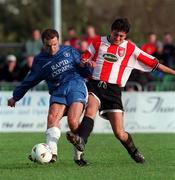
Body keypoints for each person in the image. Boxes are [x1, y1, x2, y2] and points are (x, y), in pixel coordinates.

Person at [66, 18, 175, 166]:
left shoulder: (130, 48)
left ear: (126, 36)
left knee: (119, 133)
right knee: (90, 110)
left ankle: (134, 152)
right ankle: (81, 141)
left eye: (121, 36)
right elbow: (84, 57)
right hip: (96, 85)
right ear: (111, 31)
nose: (117, 38)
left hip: (114, 91)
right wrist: (85, 61)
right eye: (115, 34)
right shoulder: (98, 42)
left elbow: (155, 65)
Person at [7, 28, 90, 164]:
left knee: (73, 121)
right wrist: (15, 97)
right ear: (43, 43)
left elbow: (84, 71)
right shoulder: (39, 60)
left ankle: (79, 156)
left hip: (75, 85)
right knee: (52, 118)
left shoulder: (69, 51)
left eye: (55, 44)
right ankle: (52, 155)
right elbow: (30, 80)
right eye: (48, 45)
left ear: (58, 41)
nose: (52, 49)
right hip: (57, 90)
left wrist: (87, 67)